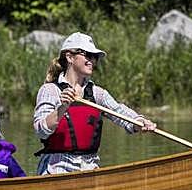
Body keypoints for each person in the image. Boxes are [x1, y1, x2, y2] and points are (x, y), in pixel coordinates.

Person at [33, 32, 157, 175]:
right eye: (87, 55)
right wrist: (62, 108)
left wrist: (139, 122)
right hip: (56, 170)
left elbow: (120, 112)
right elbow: (40, 131)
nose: (92, 60)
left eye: (95, 57)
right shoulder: (50, 90)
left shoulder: (97, 93)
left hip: (91, 169)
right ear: (69, 57)